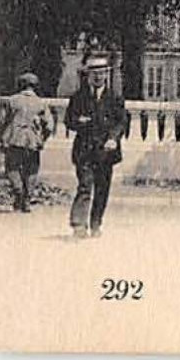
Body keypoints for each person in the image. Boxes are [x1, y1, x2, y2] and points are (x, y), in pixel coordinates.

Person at [64, 53, 126, 239]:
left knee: (102, 189)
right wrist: (79, 121)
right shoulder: (79, 97)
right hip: (84, 150)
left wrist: (113, 139)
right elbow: (68, 120)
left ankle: (96, 223)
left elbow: (121, 122)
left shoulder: (114, 97)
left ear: (107, 74)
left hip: (106, 152)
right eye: (94, 73)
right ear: (88, 75)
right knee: (84, 185)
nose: (98, 76)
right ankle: (79, 224)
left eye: (101, 73)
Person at [0, 71, 53, 211]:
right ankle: (27, 199)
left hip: (14, 138)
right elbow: (49, 124)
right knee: (32, 169)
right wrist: (42, 138)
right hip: (32, 140)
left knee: (12, 167)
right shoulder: (41, 103)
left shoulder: (12, 101)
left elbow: (2, 121)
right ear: (35, 86)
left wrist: (2, 137)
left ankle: (18, 192)